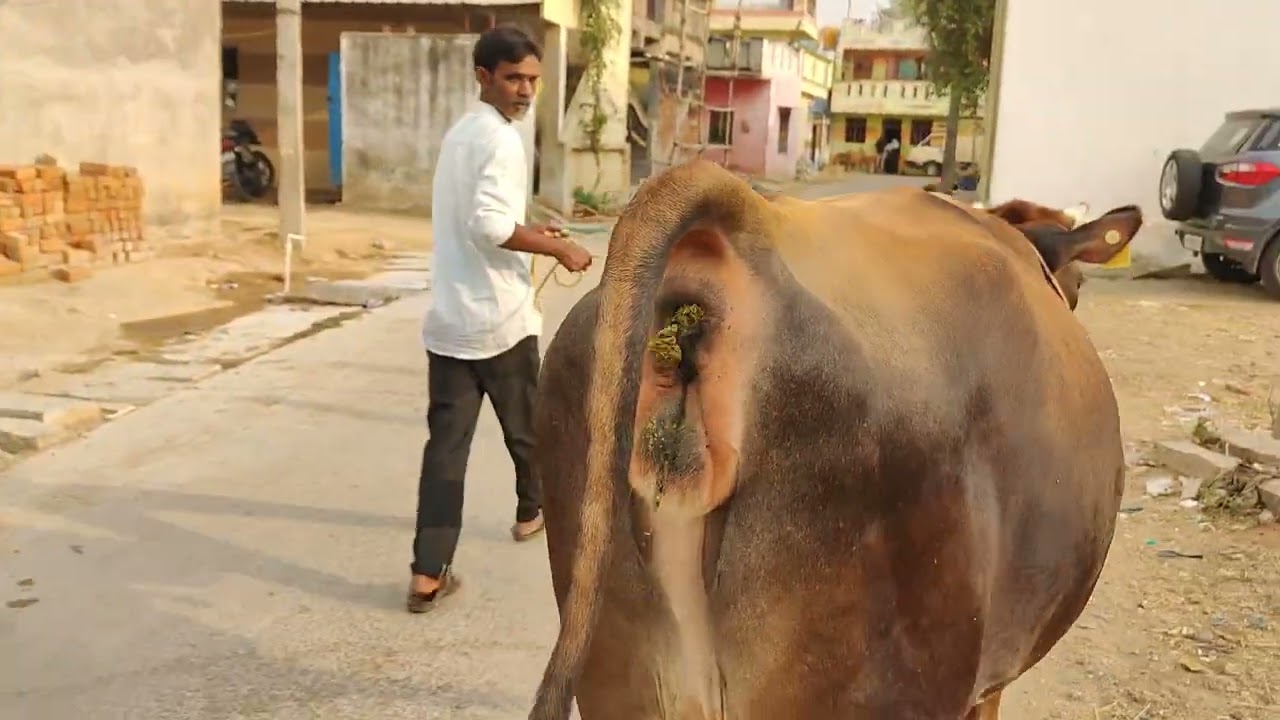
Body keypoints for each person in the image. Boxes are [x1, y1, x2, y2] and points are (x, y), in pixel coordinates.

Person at [408, 24, 593, 614]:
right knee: (529, 428)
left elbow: (488, 214)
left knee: (446, 450)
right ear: (483, 77)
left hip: (450, 323)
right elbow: (488, 226)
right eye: (513, 78)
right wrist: (559, 250)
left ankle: (426, 572)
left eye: (533, 79)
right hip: (499, 320)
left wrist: (535, 230)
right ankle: (531, 511)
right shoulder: (502, 140)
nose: (525, 89)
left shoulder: (464, 132)